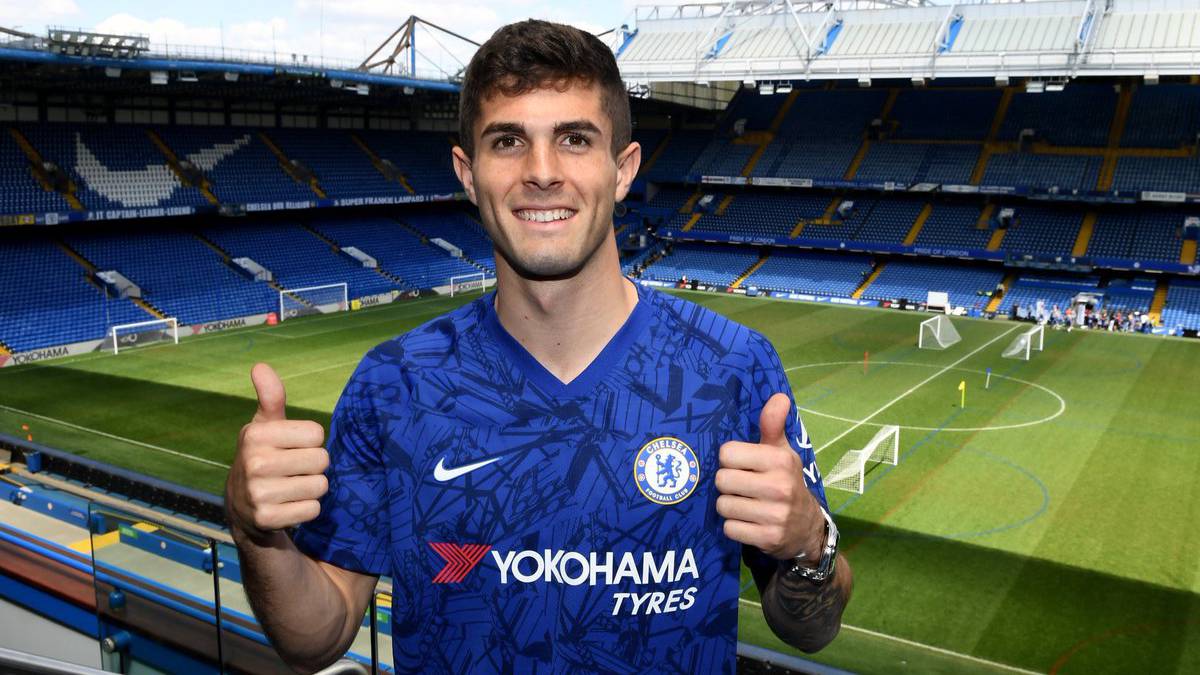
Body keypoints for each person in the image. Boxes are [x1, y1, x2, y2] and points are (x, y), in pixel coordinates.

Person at [225, 19, 851, 674]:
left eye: (575, 139)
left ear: (622, 169)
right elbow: (315, 638)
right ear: (468, 173)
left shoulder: (734, 367)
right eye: (508, 142)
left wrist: (809, 542)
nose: (542, 172)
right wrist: (255, 533)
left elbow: (811, 630)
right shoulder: (394, 382)